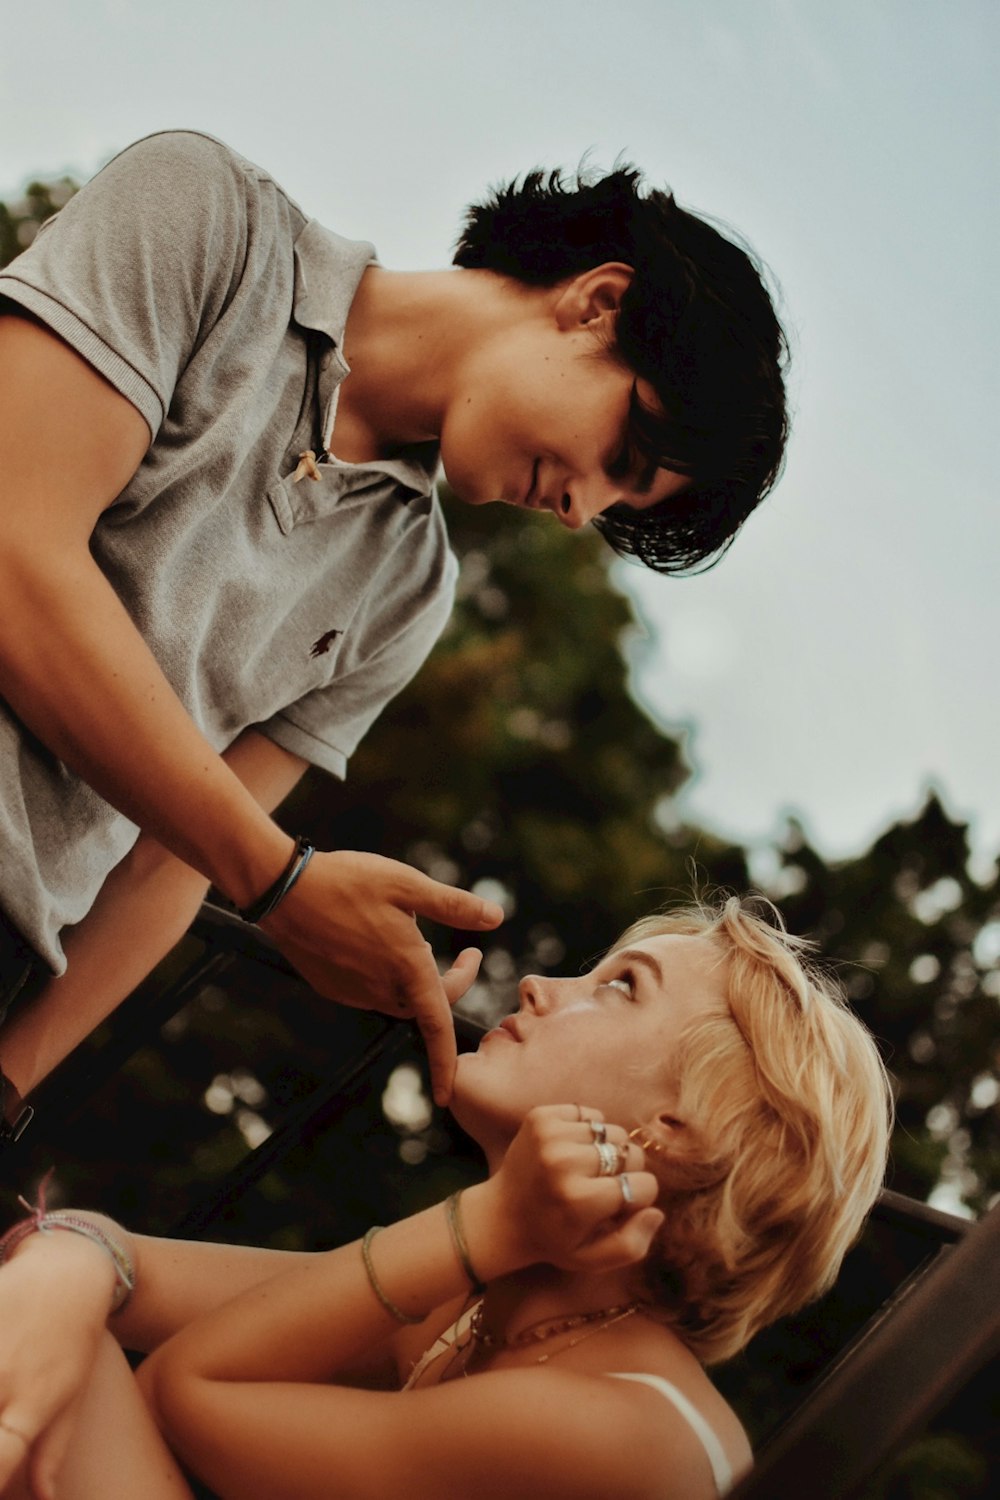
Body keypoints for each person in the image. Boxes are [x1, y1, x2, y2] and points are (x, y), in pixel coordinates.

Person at [0, 131, 789, 1132]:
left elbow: (170, 858)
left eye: (618, 503)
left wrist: (10, 1086)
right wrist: (281, 879)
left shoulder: (407, 591)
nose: (582, 512)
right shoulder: (206, 217)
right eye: (621, 453)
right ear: (598, 304)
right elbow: (14, 556)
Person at [0, 896, 890, 1499]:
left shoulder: (618, 1428)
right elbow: (134, 1273)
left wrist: (484, 1225)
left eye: (619, 987)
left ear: (682, 1130)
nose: (543, 984)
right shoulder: (491, 1313)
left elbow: (182, 1393)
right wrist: (70, 1262)